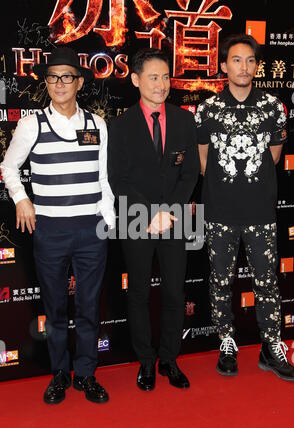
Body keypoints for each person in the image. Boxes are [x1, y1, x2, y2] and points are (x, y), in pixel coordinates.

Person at [1, 47, 116, 403]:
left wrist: (108, 220)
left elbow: (103, 178)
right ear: (46, 83)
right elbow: (8, 166)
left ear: (79, 82)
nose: (60, 84)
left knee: (88, 305)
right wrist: (22, 198)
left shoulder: (97, 125)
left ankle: (86, 373)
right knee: (54, 309)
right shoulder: (31, 124)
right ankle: (60, 374)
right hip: (49, 230)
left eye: (67, 77)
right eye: (53, 78)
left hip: (90, 229)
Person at [195, 34, 294, 381]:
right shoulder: (207, 109)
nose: (244, 66)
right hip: (220, 213)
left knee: (267, 282)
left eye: (250, 60)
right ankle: (227, 342)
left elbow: (273, 157)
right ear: (224, 66)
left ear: (257, 65)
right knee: (221, 281)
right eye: (236, 60)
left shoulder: (273, 107)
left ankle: (272, 347)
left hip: (260, 214)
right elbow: (204, 163)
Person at [108, 48, 199, 391]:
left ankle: (169, 359)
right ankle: (145, 361)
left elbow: (190, 174)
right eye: (153, 77)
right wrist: (149, 213)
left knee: (175, 292)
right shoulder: (120, 125)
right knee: (139, 294)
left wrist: (168, 211)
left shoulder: (184, 120)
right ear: (135, 80)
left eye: (165, 77)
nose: (161, 85)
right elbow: (118, 178)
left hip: (175, 217)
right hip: (136, 219)